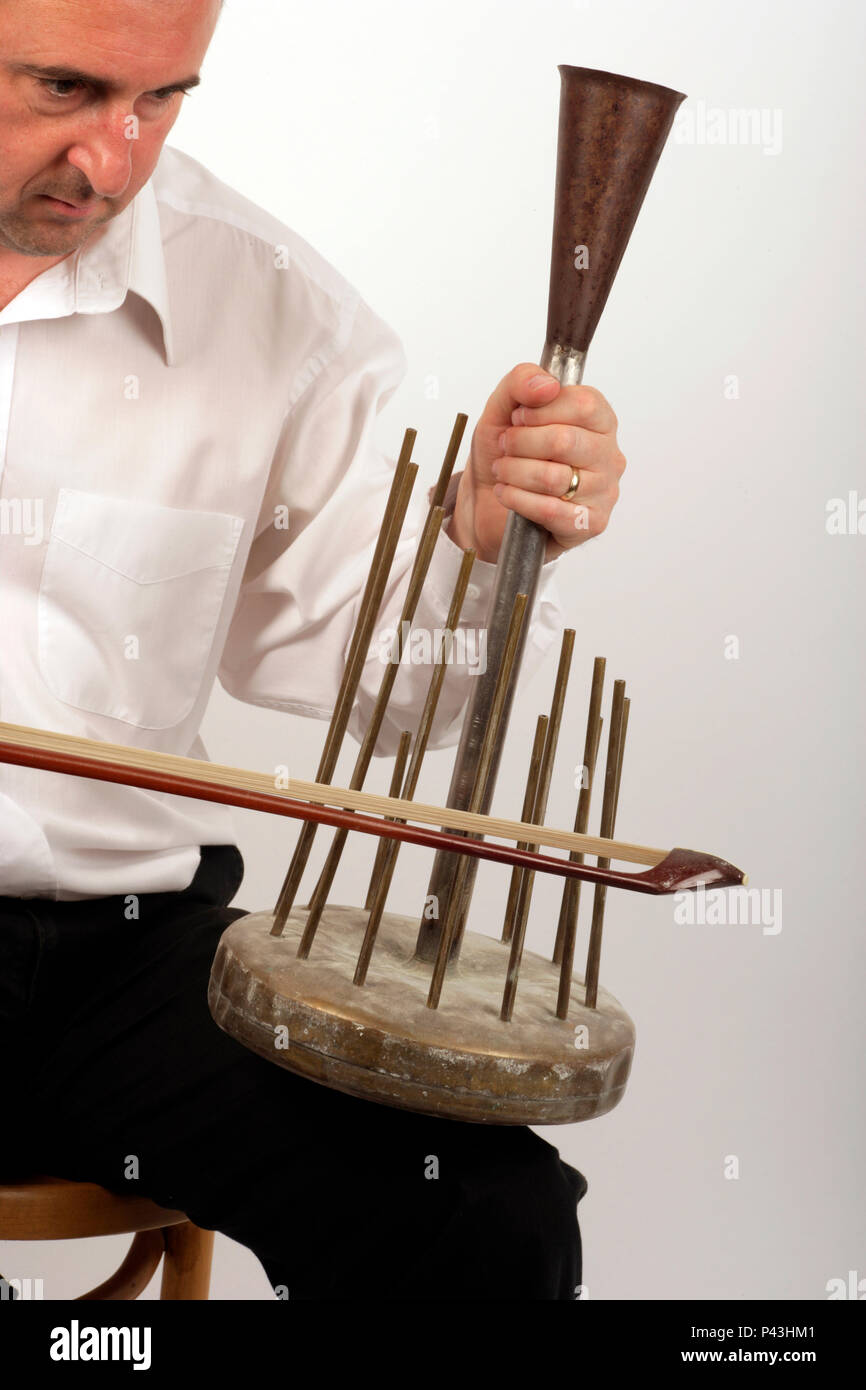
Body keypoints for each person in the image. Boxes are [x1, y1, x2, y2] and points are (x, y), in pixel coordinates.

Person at [0, 0, 626, 1300]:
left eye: (161, 98)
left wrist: (467, 543)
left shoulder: (270, 309)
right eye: (63, 88)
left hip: (119, 958)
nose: (113, 160)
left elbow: (376, 690)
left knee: (483, 1225)